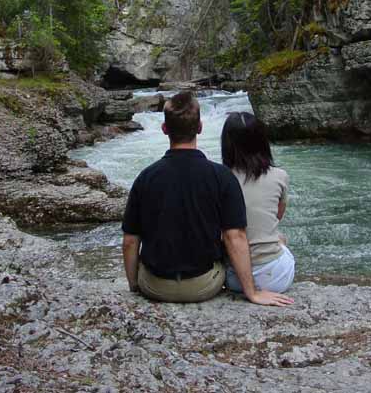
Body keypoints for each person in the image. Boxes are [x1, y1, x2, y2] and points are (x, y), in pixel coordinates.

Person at [122, 91, 294, 306]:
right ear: (200, 127)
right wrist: (252, 293)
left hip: (154, 286)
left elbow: (130, 241)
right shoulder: (220, 176)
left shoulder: (145, 177)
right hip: (204, 285)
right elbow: (235, 236)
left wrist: (134, 286)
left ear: (164, 129)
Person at [221, 111, 295, 294]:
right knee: (280, 238)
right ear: (262, 141)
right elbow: (277, 216)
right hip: (277, 277)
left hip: (235, 279)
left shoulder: (218, 178)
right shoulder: (280, 176)